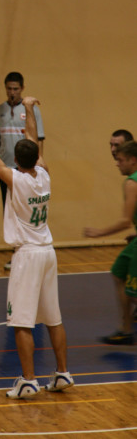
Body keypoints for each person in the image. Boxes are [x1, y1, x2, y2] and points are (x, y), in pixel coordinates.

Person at [0, 96, 74, 399]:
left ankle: (29, 380)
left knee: (21, 322)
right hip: (48, 251)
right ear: (35, 157)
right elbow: (33, 140)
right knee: (54, 319)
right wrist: (30, 108)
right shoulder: (44, 174)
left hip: (28, 255)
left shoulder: (15, 180)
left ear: (16, 161)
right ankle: (62, 373)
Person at [0, 72, 45, 270]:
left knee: (25, 211)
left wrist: (39, 165)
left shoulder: (31, 110)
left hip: (26, 169)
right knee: (10, 212)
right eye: (9, 89)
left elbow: (38, 140)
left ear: (22, 88)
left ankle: (30, 251)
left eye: (16, 89)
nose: (12, 92)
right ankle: (17, 253)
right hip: (6, 169)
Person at [83, 140, 137, 344]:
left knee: (134, 293)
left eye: (121, 160)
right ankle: (126, 330)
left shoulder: (131, 183)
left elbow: (125, 221)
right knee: (118, 272)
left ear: (133, 160)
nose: (117, 163)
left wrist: (99, 233)